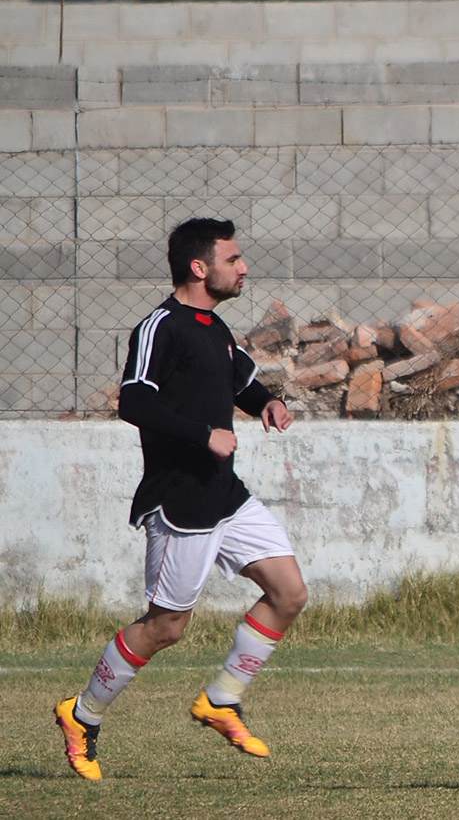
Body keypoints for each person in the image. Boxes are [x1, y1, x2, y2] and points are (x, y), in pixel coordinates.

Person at [55, 218, 308, 781]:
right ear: (201, 267)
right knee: (167, 627)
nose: (244, 268)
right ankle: (82, 713)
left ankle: (221, 699)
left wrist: (265, 401)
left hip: (226, 495)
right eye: (234, 259)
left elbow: (239, 380)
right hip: (180, 500)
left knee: (289, 592)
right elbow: (135, 402)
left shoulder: (214, 328)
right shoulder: (160, 328)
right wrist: (204, 435)